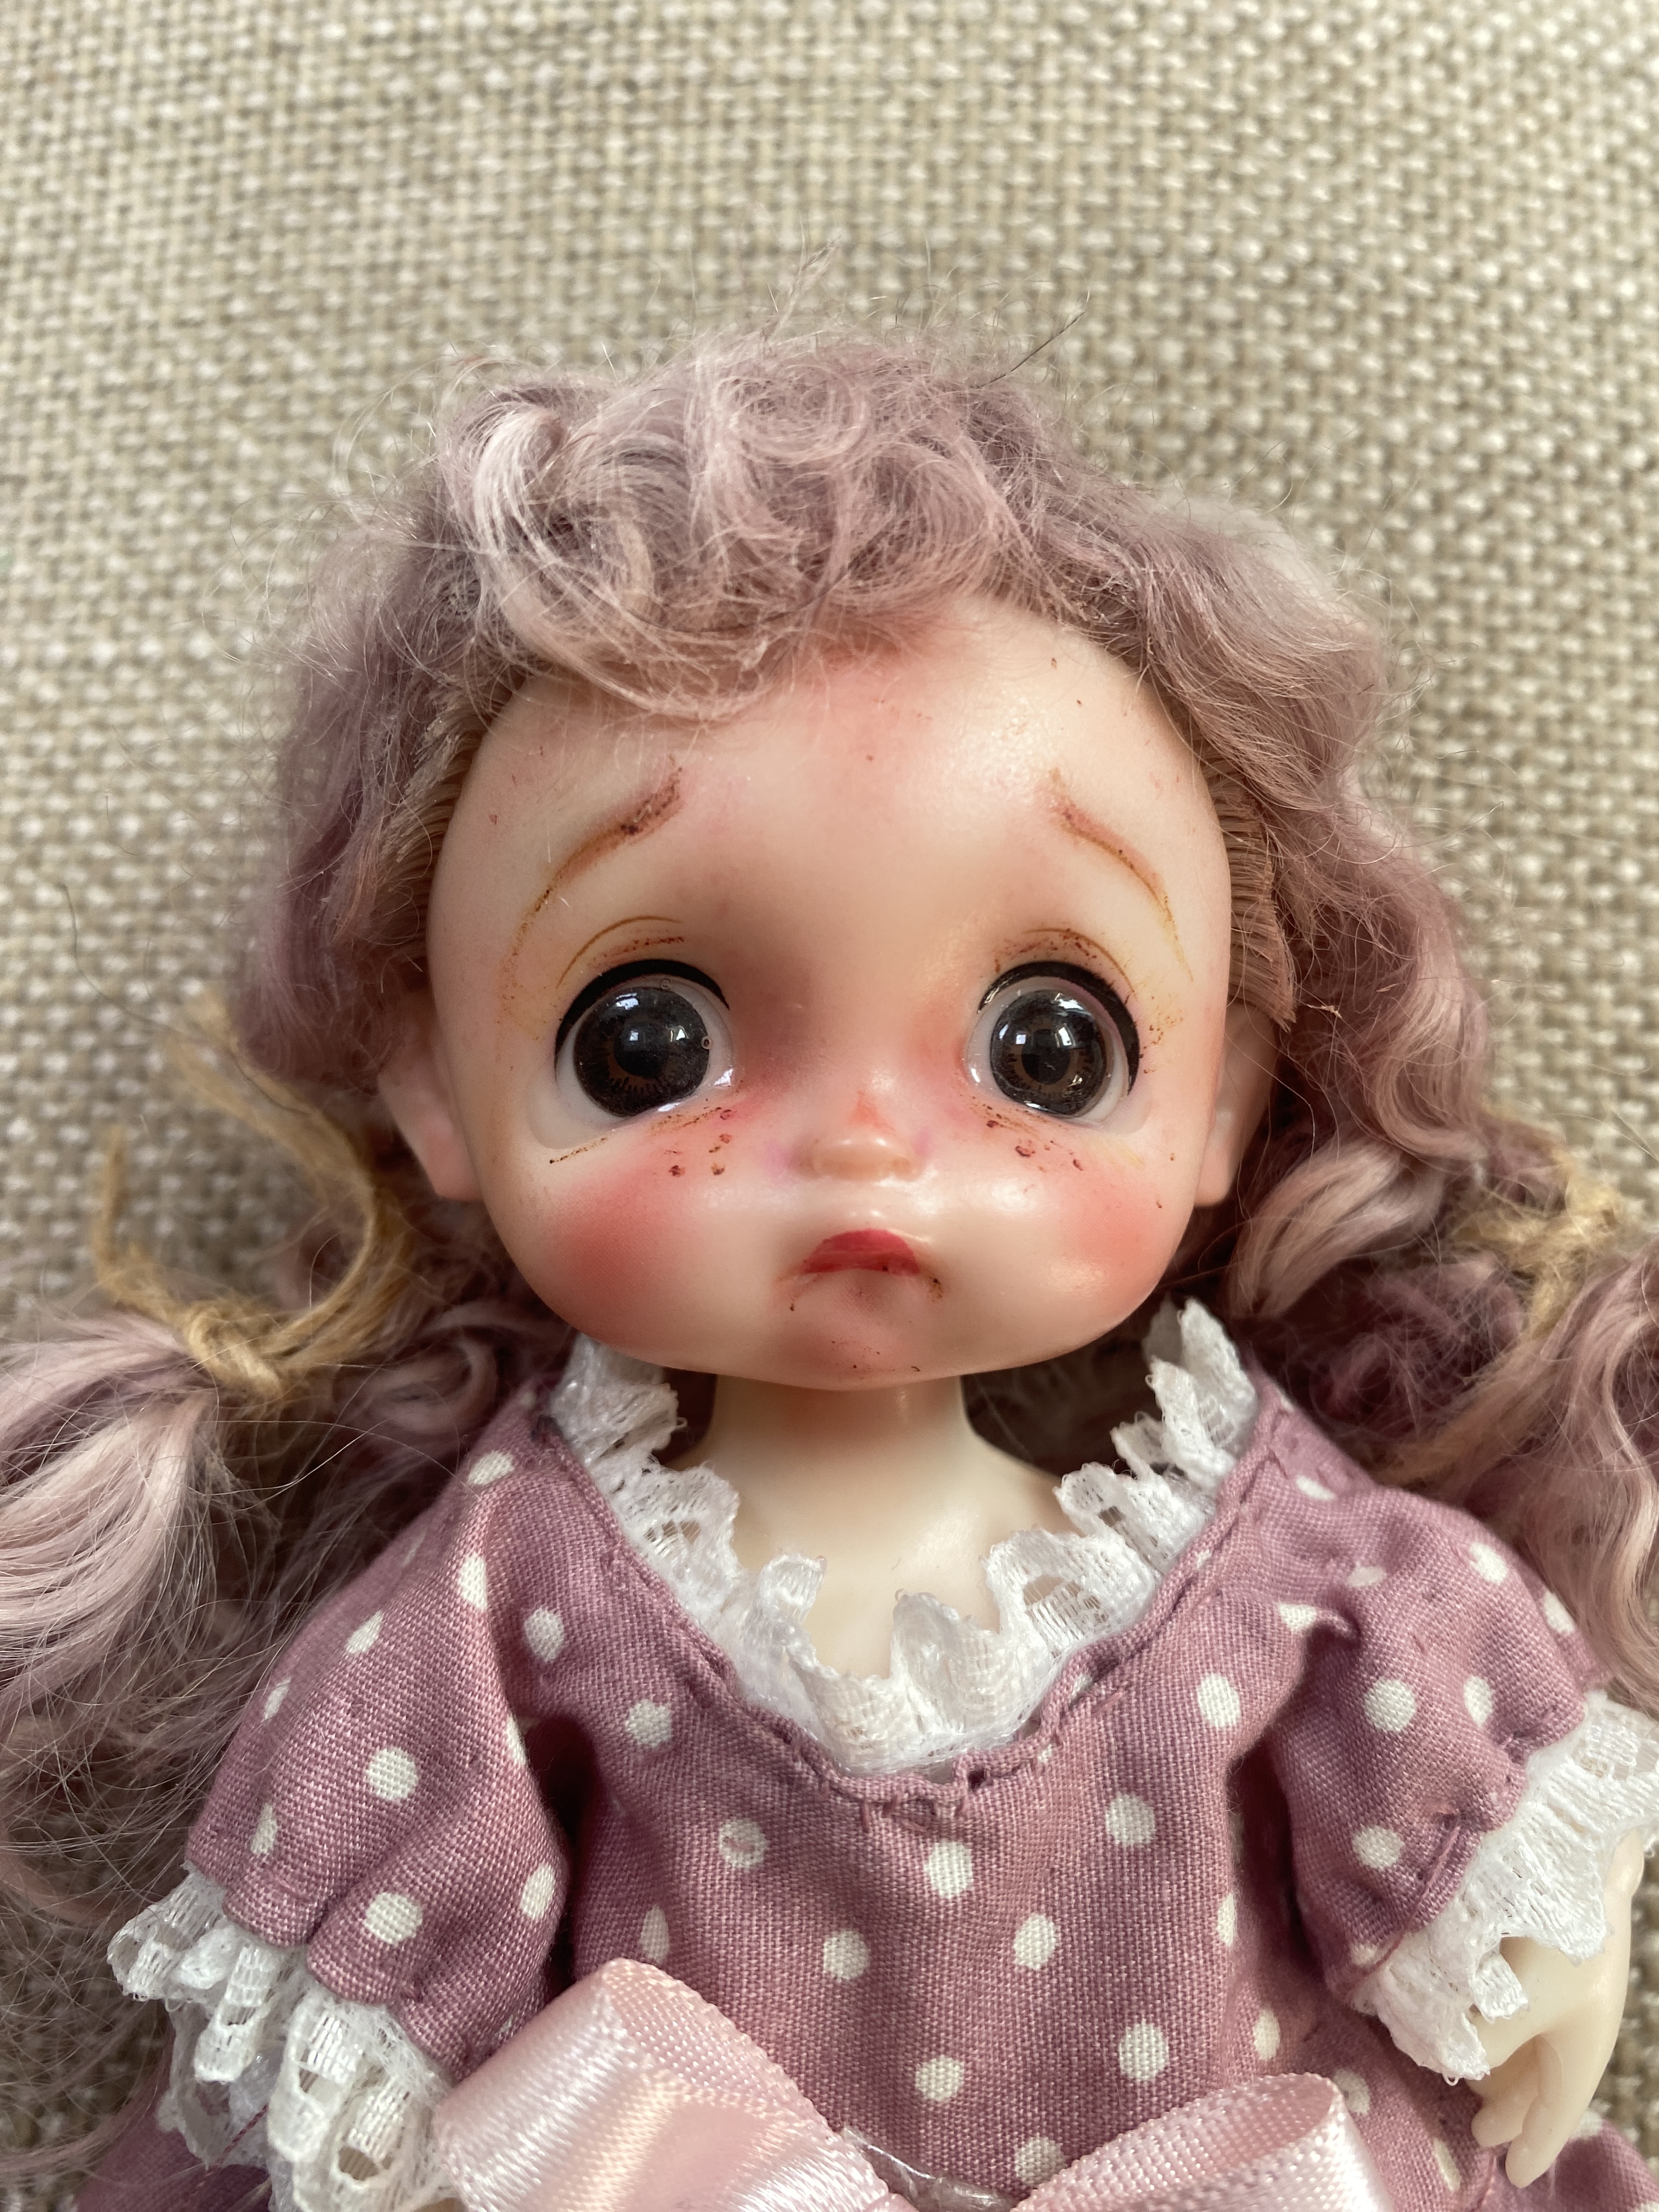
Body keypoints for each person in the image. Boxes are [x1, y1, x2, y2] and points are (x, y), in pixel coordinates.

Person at [11, 331, 1659, 2211]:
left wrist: (1547, 1938)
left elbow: (1475, 1793)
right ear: (437, 1094)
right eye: (647, 1043)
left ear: (1220, 1101)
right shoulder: (507, 1605)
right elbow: (360, 2035)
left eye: (1051, 1049)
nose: (870, 1152)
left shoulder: (1292, 1578)